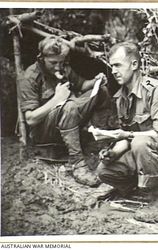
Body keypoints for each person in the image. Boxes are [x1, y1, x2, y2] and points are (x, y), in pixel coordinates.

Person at [92, 42, 158, 223]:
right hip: (145, 153)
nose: (113, 71)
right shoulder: (120, 98)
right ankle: (140, 188)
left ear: (135, 65)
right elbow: (127, 135)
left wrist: (127, 136)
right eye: (112, 66)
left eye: (118, 65)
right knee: (104, 170)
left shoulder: (154, 90)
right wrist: (112, 153)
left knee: (140, 142)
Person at [20, 35, 113, 187]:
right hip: (44, 133)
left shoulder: (63, 69)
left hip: (68, 119)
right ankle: (78, 165)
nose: (58, 67)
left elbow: (82, 85)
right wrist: (57, 99)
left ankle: (99, 143)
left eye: (61, 62)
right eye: (53, 62)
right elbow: (30, 119)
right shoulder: (30, 77)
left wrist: (95, 81)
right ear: (41, 58)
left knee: (101, 92)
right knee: (69, 106)